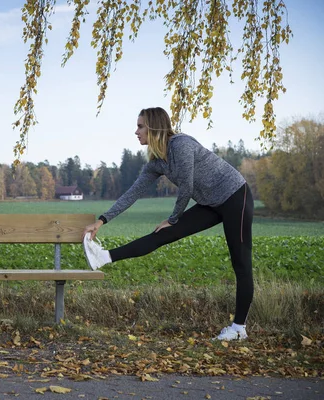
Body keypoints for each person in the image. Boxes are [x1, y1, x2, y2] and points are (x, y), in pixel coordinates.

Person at [82, 107, 254, 341]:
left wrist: (173, 219)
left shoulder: (180, 145)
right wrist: (102, 221)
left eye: (140, 126)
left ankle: (239, 328)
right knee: (162, 234)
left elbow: (187, 187)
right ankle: (104, 257)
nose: (136, 131)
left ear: (154, 127)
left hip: (235, 196)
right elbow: (132, 193)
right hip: (209, 203)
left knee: (241, 262)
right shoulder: (156, 163)